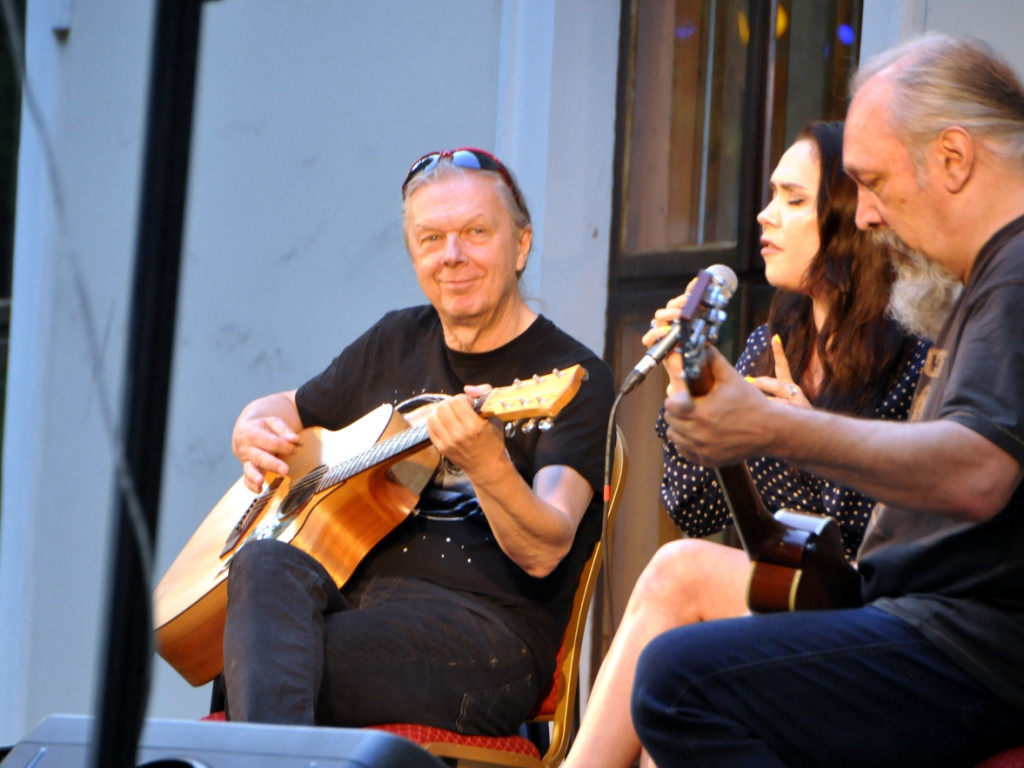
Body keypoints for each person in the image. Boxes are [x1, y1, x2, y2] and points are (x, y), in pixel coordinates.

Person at [631, 33, 1024, 767]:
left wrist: (777, 427)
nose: (866, 215)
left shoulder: (1015, 271)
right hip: (927, 622)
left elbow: (978, 471)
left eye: (871, 181)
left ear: (953, 158)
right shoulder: (986, 282)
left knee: (679, 679)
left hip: (973, 645)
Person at [561, 121, 935, 768]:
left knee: (679, 572)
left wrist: (800, 436)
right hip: (777, 598)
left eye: (792, 200)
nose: (764, 215)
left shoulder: (913, 354)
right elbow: (696, 508)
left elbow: (869, 537)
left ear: (848, 219)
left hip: (868, 614)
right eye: (770, 195)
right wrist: (691, 390)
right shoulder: (775, 338)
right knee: (662, 728)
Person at [221, 147, 615, 734]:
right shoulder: (395, 339)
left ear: (521, 245)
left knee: (264, 666)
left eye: (476, 232)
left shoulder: (572, 377)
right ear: (413, 257)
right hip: (357, 607)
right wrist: (251, 423)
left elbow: (546, 547)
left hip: (485, 637)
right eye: (431, 239)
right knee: (260, 565)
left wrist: (488, 463)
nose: (452, 256)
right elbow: (291, 407)